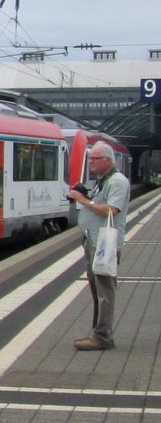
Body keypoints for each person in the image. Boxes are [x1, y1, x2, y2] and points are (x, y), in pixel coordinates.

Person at [67, 142, 130, 351]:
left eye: (95, 159)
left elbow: (111, 211)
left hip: (105, 245)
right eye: (90, 158)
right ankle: (97, 333)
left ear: (108, 160)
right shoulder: (104, 180)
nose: (91, 162)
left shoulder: (118, 182)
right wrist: (87, 195)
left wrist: (85, 201)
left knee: (105, 292)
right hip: (94, 242)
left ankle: (103, 337)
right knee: (97, 291)